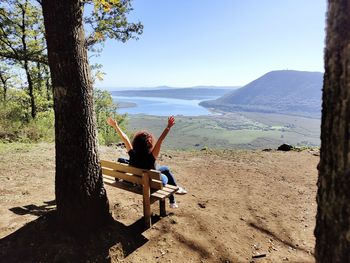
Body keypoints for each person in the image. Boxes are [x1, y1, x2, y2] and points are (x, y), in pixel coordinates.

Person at [107, 116, 186, 208]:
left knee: (163, 169)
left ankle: (174, 194)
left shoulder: (132, 154)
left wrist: (115, 126)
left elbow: (125, 138)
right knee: (166, 171)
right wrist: (168, 126)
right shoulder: (151, 156)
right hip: (153, 184)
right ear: (149, 144)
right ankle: (173, 197)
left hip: (139, 181)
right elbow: (160, 140)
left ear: (136, 143)